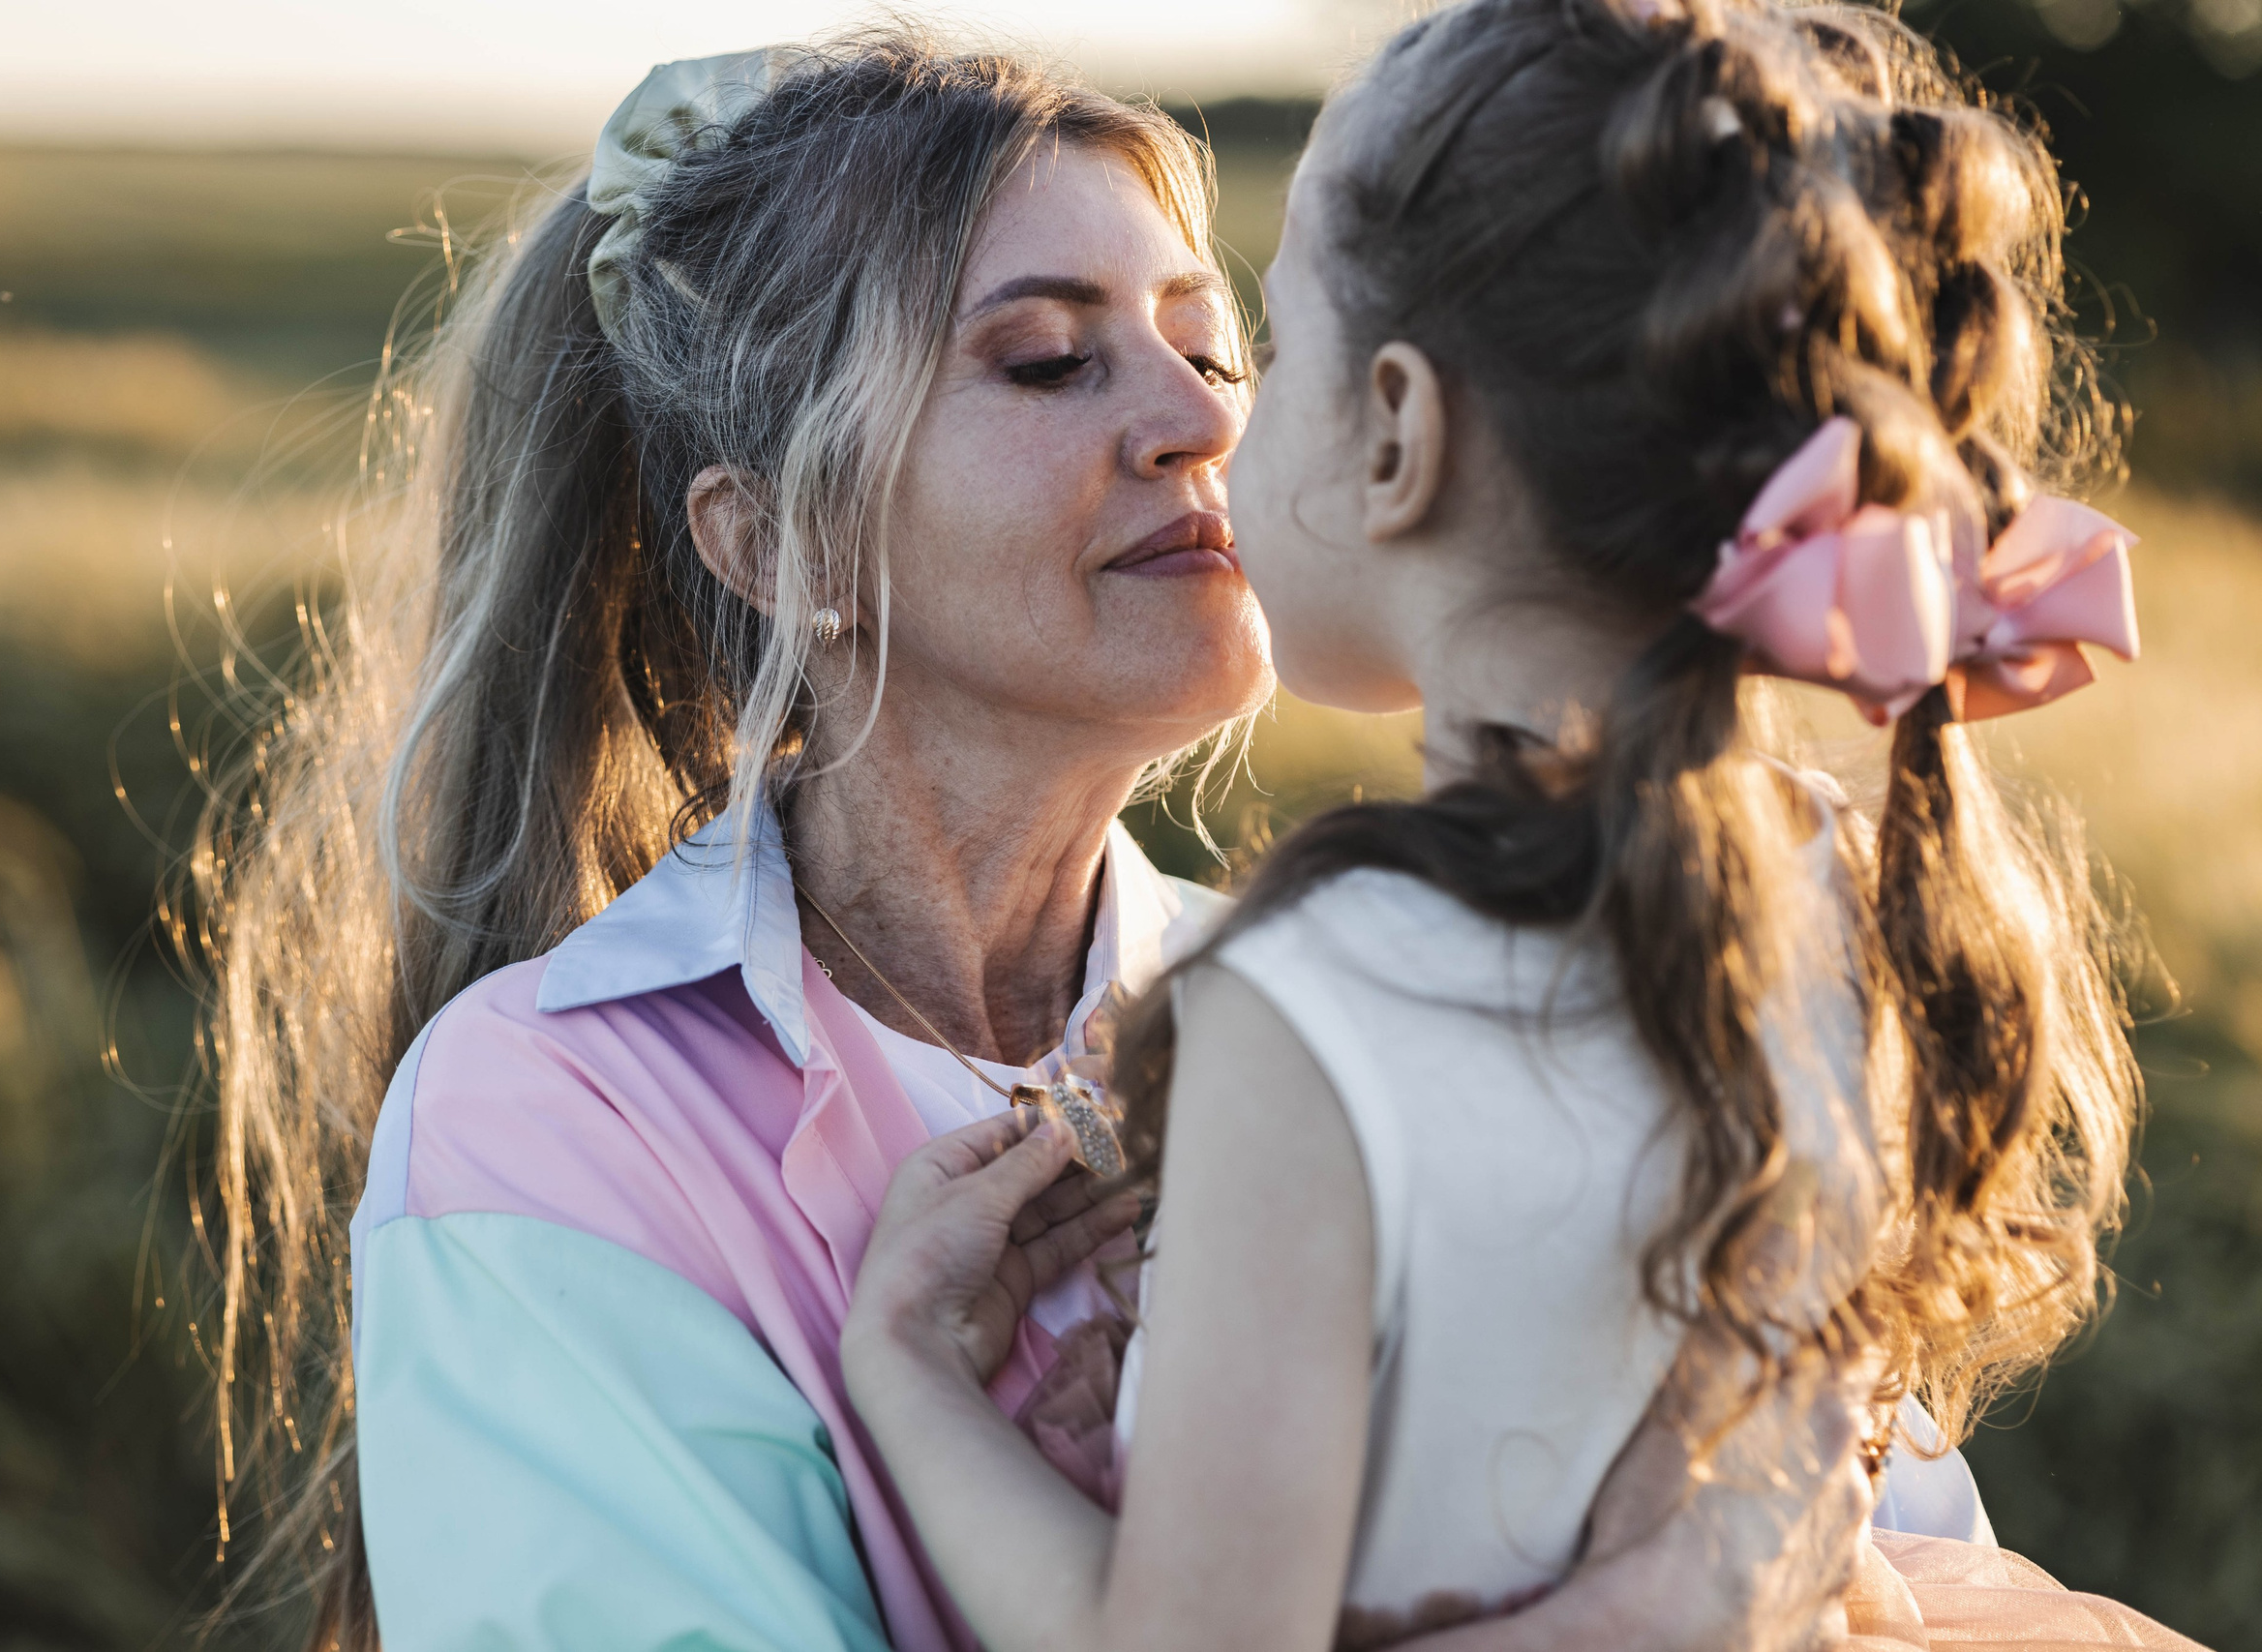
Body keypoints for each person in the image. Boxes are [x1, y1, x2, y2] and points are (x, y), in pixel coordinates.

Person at [201, 33, 1962, 1652]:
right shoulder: (558, 1118)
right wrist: (1683, 1597)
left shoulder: (1373, 997)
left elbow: (1922, 1568)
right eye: (1047, 360)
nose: (1204, 421)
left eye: (1214, 345)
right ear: (782, 544)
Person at [838, 1, 2206, 1648]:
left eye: (1261, 352)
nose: (1214, 426)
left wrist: (909, 1379)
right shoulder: (1836, 889)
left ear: (1398, 434)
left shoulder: (1320, 1003)